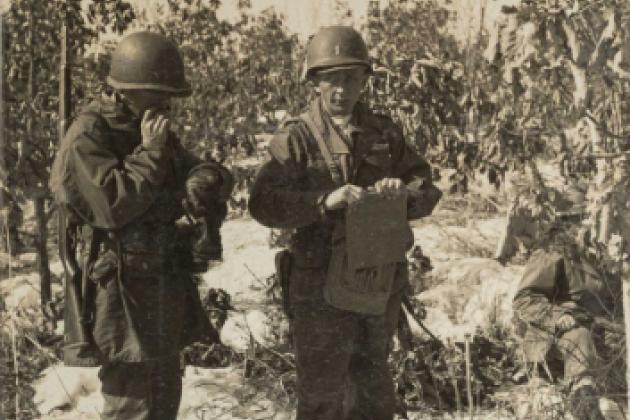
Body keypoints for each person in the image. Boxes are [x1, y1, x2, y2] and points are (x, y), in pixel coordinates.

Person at [249, 26, 441, 420]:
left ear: (366, 80)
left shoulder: (384, 131)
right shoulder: (296, 138)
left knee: (373, 391)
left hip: (375, 280)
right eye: (331, 78)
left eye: (352, 78)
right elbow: (263, 203)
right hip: (318, 284)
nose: (342, 88)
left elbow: (425, 186)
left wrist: (402, 193)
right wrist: (322, 202)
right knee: (322, 396)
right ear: (314, 82)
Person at [50, 31, 233, 420]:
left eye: (169, 96)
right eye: (157, 94)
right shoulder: (88, 135)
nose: (166, 104)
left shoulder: (147, 125)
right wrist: (150, 153)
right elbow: (112, 204)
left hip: (161, 282)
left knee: (165, 393)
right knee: (133, 403)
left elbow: (195, 166)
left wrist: (205, 178)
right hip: (119, 293)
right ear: (127, 91)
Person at [512, 227, 622, 420]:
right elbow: (525, 298)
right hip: (557, 335)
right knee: (579, 335)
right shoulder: (552, 251)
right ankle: (583, 400)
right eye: (577, 219)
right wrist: (559, 317)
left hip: (602, 332)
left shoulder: (611, 250)